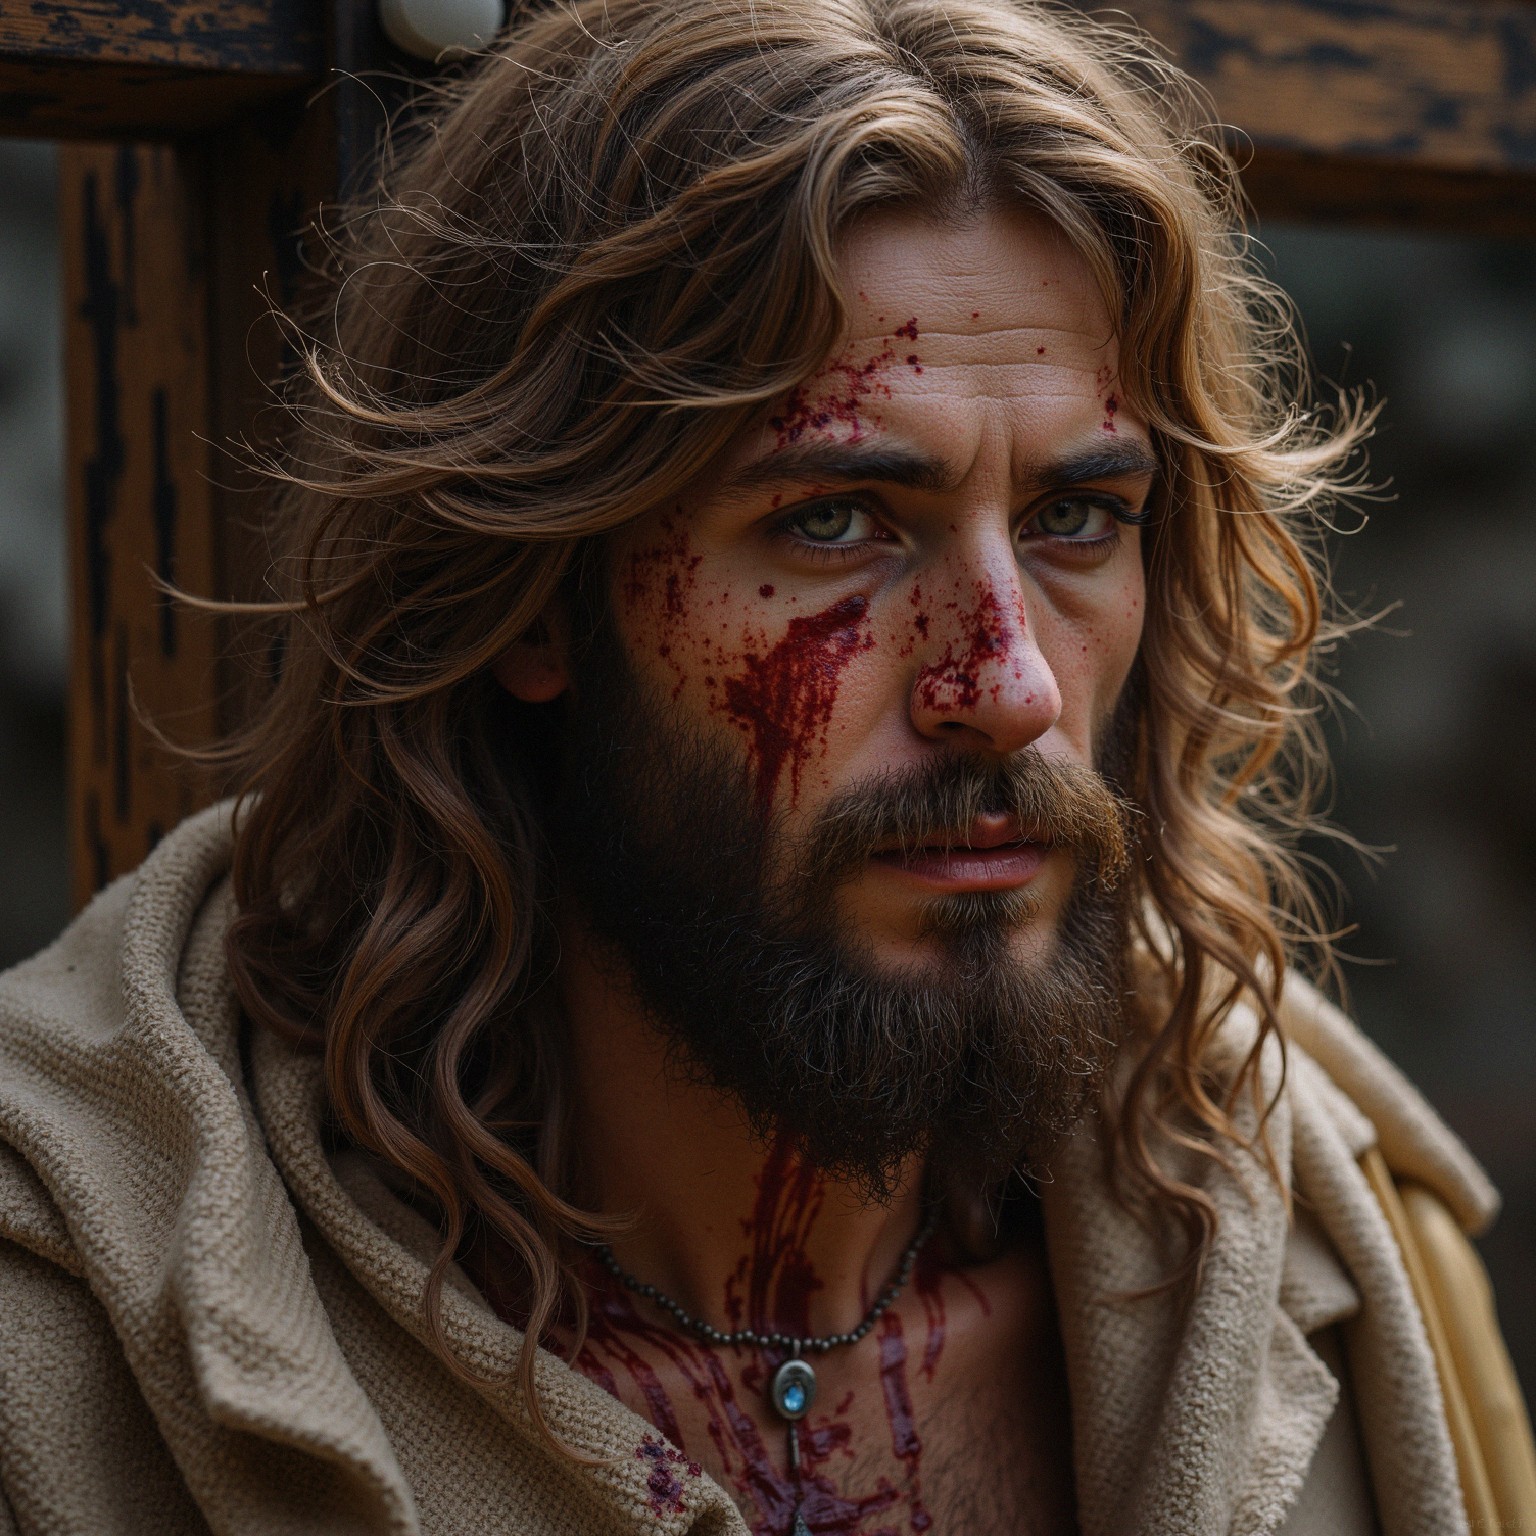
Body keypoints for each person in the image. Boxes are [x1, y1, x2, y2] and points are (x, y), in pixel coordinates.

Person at [1, 1, 1531, 1532]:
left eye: (1078, 520)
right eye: (835, 523)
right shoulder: (61, 1338)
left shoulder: (1340, 1266)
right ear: (532, 598)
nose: (1005, 689)